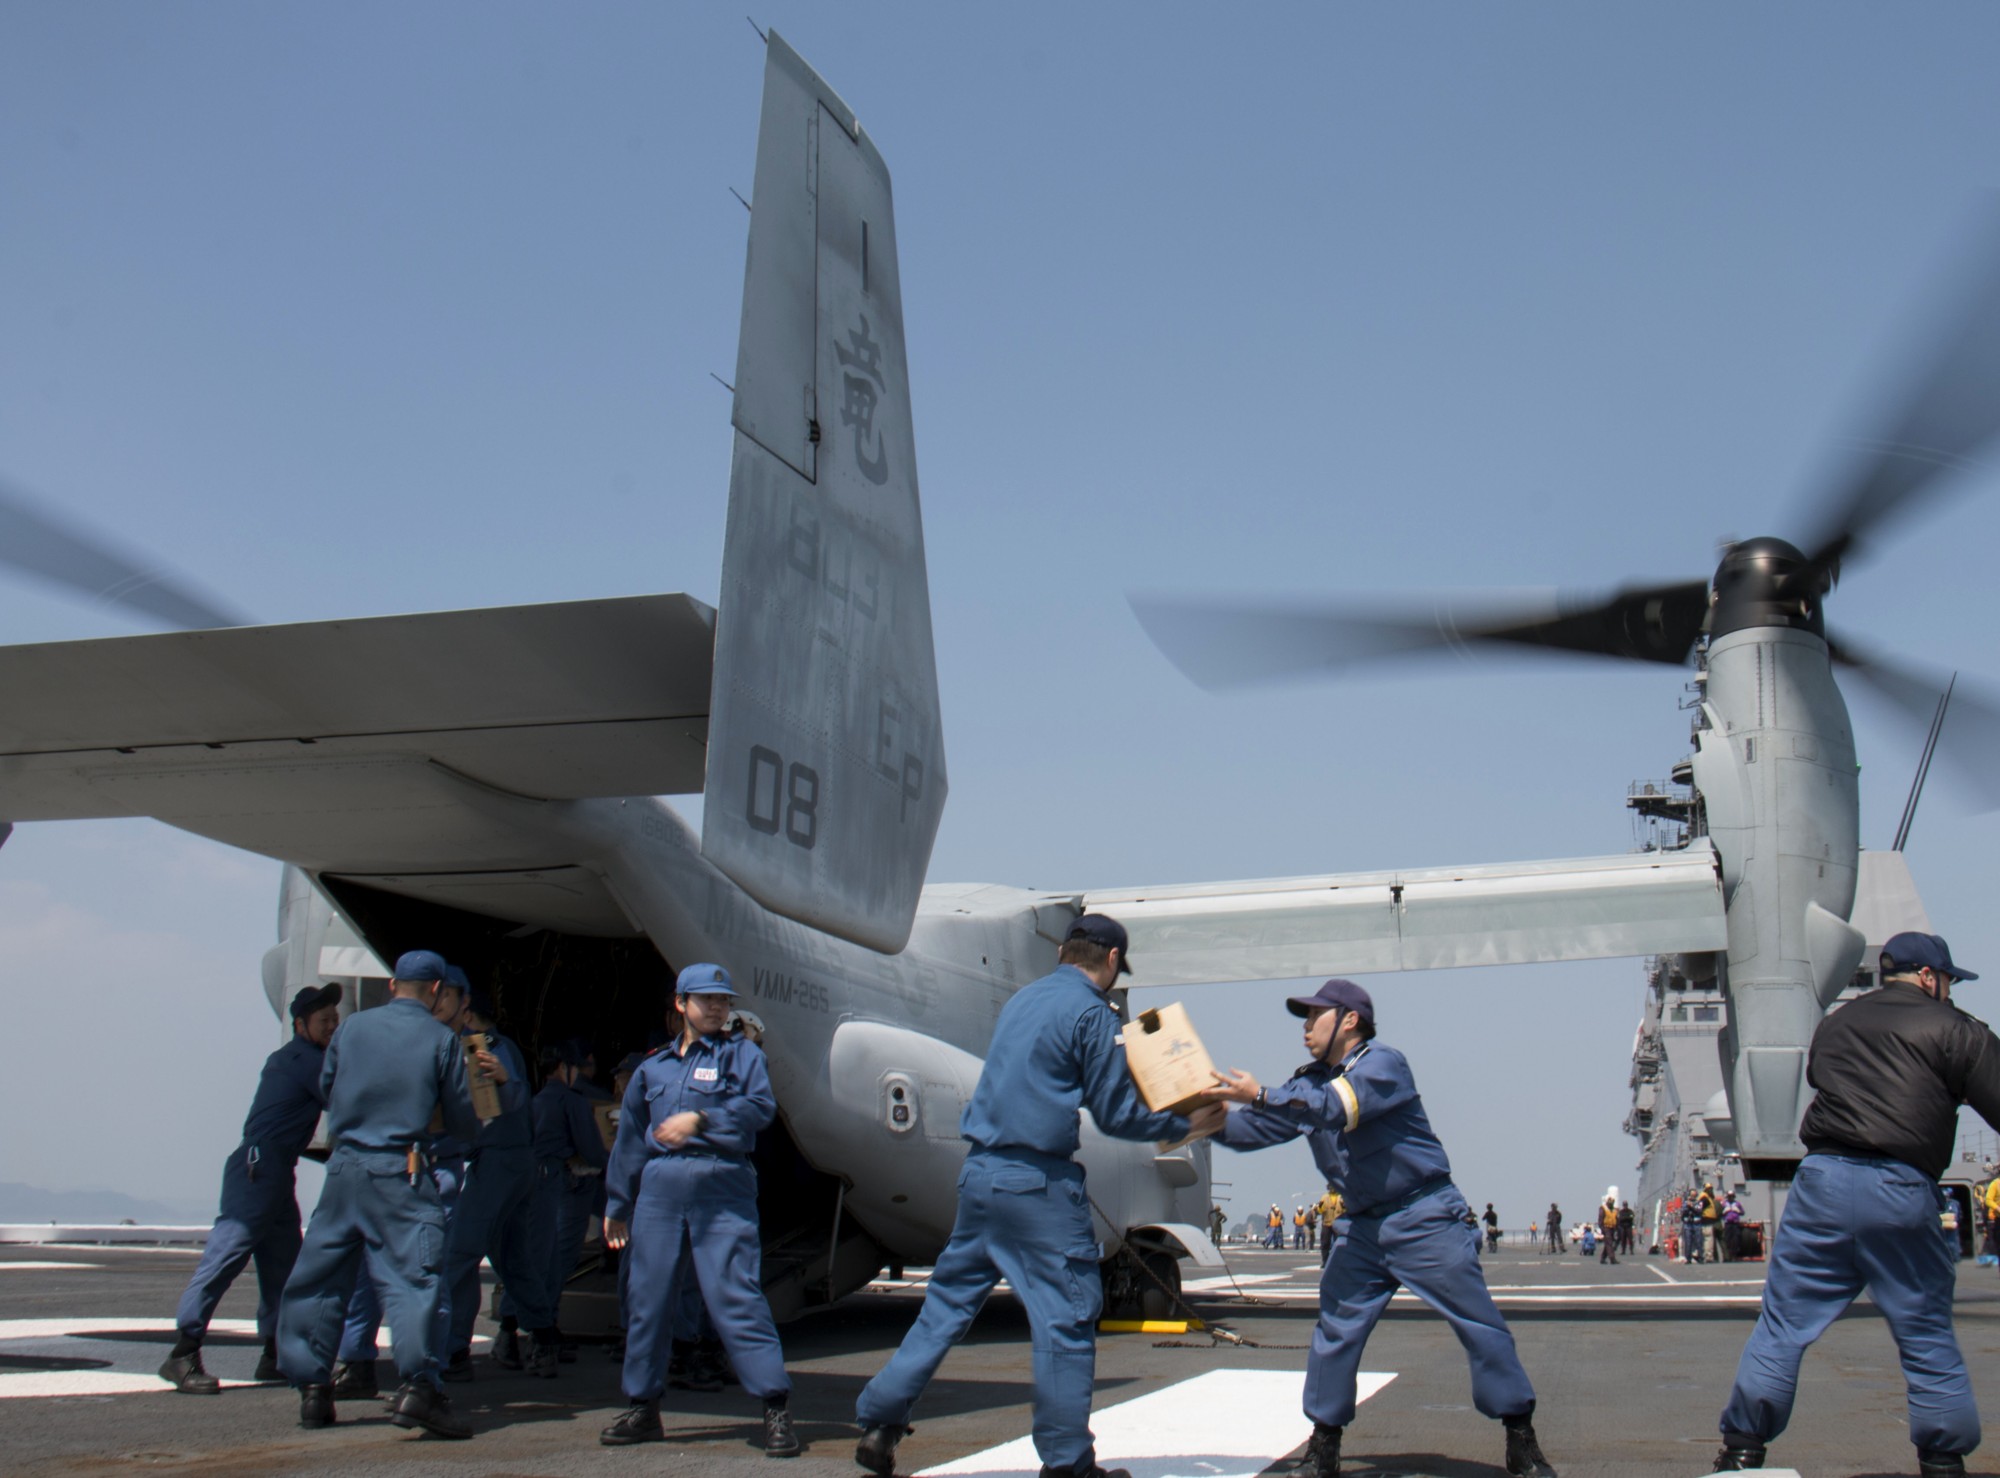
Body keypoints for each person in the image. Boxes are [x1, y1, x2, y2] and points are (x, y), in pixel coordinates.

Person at [852, 915, 1225, 1478]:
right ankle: (1067, 1461)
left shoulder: (1022, 1002)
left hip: (979, 1177)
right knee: (1067, 1319)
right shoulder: (1092, 1012)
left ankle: (880, 1423)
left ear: (1063, 954)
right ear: (1113, 961)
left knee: (946, 1310)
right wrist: (1185, 1124)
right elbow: (1114, 1112)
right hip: (1037, 1185)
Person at [1203, 978, 1556, 1478]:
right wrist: (1195, 1115)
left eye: (1314, 1017)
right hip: (1362, 1227)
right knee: (1335, 1331)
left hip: (1424, 1216)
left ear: (1349, 1019)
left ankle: (1520, 1436)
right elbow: (1252, 1130)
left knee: (1479, 1327)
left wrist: (1257, 1093)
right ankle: (1323, 1447)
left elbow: (1335, 1109)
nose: (1304, 1028)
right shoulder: (1307, 1085)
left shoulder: (1382, 1064)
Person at [1714, 932, 2000, 1475]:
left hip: (1821, 1181)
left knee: (1781, 1325)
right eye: (1947, 981)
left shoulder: (1836, 1024)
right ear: (1927, 977)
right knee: (1924, 1329)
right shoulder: (1958, 1030)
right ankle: (1942, 1461)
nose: (1948, 990)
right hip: (1899, 1186)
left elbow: (1822, 1076)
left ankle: (1742, 1452)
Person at [273, 950, 482, 1438]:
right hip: (401, 1173)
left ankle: (313, 1391)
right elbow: (463, 1121)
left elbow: (329, 1087)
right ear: (435, 991)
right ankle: (420, 1390)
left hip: (344, 1170)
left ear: (393, 986)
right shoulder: (441, 1039)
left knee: (321, 1279)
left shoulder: (350, 1029)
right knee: (414, 1280)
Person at [601, 963, 798, 1455]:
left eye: (723, 1000)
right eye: (706, 999)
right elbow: (629, 1141)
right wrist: (618, 1204)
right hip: (660, 1188)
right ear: (680, 1004)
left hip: (722, 1180)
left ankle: (775, 1407)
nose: (716, 1007)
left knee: (736, 1294)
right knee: (648, 1300)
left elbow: (760, 1107)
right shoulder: (652, 1068)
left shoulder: (743, 1055)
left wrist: (701, 1117)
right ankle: (642, 1408)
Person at [160, 984, 341, 1394]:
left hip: (275, 1169)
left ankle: (275, 1355)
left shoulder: (302, 1058)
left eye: (335, 1018)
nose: (333, 1025)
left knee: (285, 1266)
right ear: (300, 1025)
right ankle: (182, 1353)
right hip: (258, 1167)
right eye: (324, 1020)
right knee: (225, 1256)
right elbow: (347, 1097)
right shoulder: (304, 1060)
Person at [329, 967, 471, 1401]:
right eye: (439, 995)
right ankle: (371, 1365)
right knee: (391, 1276)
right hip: (406, 1167)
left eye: (451, 997)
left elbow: (486, 1112)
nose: (441, 1004)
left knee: (425, 1274)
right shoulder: (427, 1040)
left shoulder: (470, 1047)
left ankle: (428, 1370)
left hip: (427, 1167)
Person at [438, 980, 560, 1380]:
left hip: (498, 1163)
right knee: (515, 1259)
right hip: (514, 1163)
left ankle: (454, 1351)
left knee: (460, 1255)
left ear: (467, 1012)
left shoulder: (481, 1048)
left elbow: (505, 1100)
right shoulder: (497, 1046)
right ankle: (543, 1337)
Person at [527, 1037, 611, 1364]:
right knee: (558, 1257)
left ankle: (515, 1328)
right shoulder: (572, 1101)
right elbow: (591, 1150)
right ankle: (545, 1331)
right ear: (565, 1068)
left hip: (533, 1179)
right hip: (562, 1179)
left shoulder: (535, 1100)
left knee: (533, 1255)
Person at [1719, 1193, 1744, 1263]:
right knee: (1727, 1239)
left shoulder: (1737, 1203)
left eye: (1732, 1196)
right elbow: (1719, 1213)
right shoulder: (1724, 1204)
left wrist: (1738, 1211)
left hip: (1735, 1223)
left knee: (1736, 1239)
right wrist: (1724, 1212)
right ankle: (1727, 1256)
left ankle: (1734, 1256)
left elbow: (1742, 1212)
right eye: (1729, 1196)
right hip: (1728, 1223)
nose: (1730, 1198)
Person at [1596, 1197, 1619, 1265]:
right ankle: (1612, 1258)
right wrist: (1602, 1229)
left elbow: (1617, 1220)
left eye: (1612, 1203)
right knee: (1609, 1243)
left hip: (1613, 1228)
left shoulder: (1615, 1210)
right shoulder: (1603, 1208)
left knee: (1608, 1244)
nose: (1611, 1204)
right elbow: (1600, 1219)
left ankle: (1603, 1258)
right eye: (1610, 1203)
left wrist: (1617, 1229)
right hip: (1606, 1228)